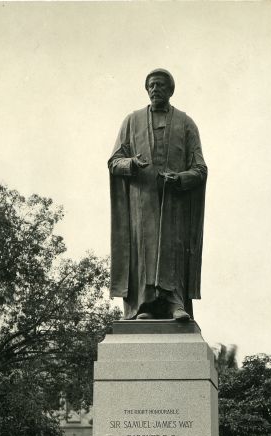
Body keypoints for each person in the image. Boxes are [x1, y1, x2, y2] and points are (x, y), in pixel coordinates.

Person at [108, 69, 207, 320]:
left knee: (172, 250)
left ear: (170, 90)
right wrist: (131, 163)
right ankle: (146, 306)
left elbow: (200, 169)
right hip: (142, 205)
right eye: (151, 85)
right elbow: (114, 162)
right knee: (144, 251)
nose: (155, 89)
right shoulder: (132, 121)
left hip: (175, 204)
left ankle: (175, 305)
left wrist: (181, 179)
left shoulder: (186, 123)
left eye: (161, 85)